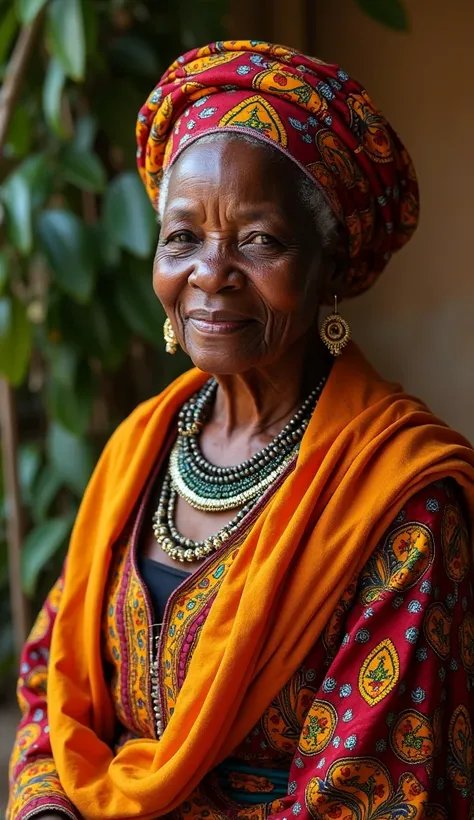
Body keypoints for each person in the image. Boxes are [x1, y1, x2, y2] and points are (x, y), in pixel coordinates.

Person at [8, 40, 474, 820]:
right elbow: (47, 683)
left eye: (259, 240)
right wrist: (48, 807)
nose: (210, 273)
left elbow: (373, 796)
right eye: (183, 237)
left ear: (329, 265)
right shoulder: (140, 449)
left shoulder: (403, 505)